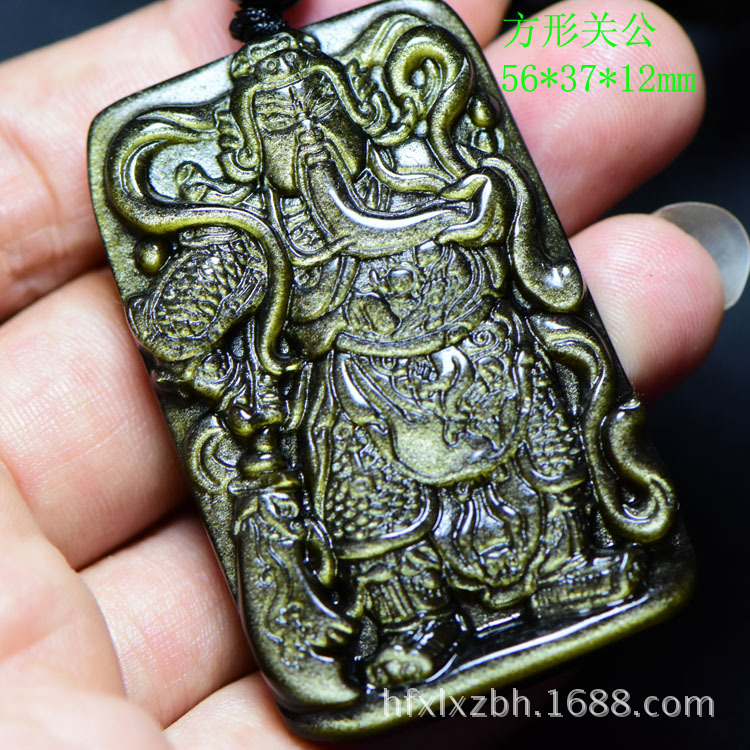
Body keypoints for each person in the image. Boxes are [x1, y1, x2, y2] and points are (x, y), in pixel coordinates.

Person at [0, 0, 724, 746]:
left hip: (479, 369)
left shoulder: (430, 183)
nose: (308, 133)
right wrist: (215, 348)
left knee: (538, 442)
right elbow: (171, 337)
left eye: (322, 109)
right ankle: (410, 624)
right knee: (368, 502)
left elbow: (507, 239)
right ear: (250, 150)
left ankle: (566, 562)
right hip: (359, 397)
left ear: (356, 113)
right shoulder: (258, 241)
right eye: (281, 124)